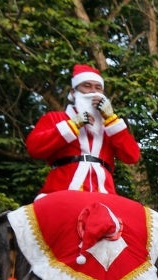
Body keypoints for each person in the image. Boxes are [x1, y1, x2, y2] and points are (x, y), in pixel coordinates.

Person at [25, 64, 140, 196]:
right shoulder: (55, 118)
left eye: (98, 88)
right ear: (73, 92)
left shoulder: (109, 126)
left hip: (104, 192)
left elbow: (132, 156)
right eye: (87, 86)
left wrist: (111, 119)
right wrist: (73, 125)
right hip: (61, 189)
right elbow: (34, 148)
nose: (93, 91)